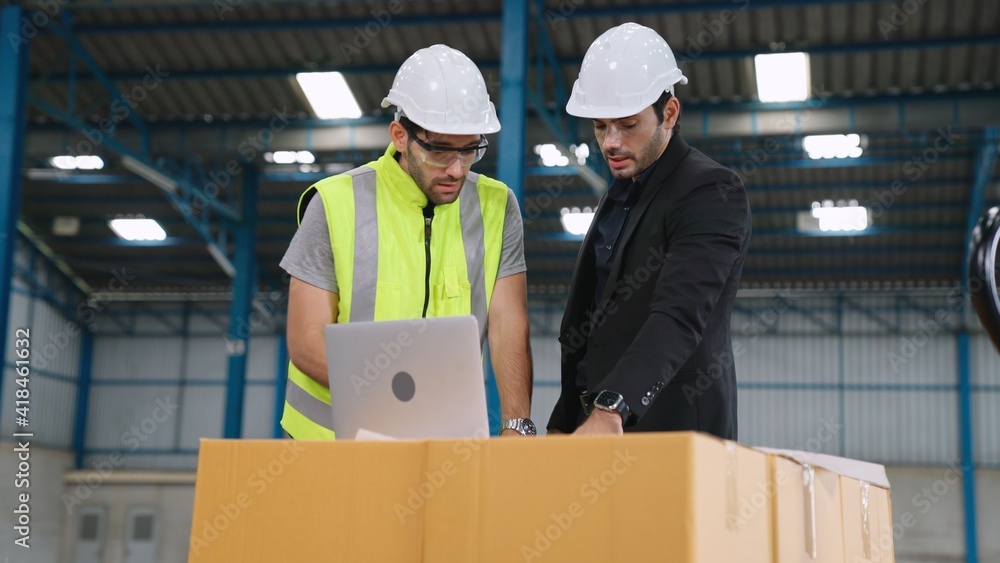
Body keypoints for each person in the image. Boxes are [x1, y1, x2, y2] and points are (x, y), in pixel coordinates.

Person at [280, 45, 534, 440]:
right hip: (331, 451)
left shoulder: (497, 207)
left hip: (445, 451)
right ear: (400, 136)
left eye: (470, 150)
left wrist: (517, 426)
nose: (456, 169)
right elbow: (306, 340)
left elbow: (506, 325)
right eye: (440, 150)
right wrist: (405, 402)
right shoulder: (334, 204)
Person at [547, 23, 751, 439]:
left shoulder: (712, 190)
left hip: (673, 433)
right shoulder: (621, 192)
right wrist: (562, 421)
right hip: (597, 430)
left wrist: (613, 407)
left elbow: (678, 316)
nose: (610, 143)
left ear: (669, 114)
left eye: (626, 124)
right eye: (600, 127)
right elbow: (588, 329)